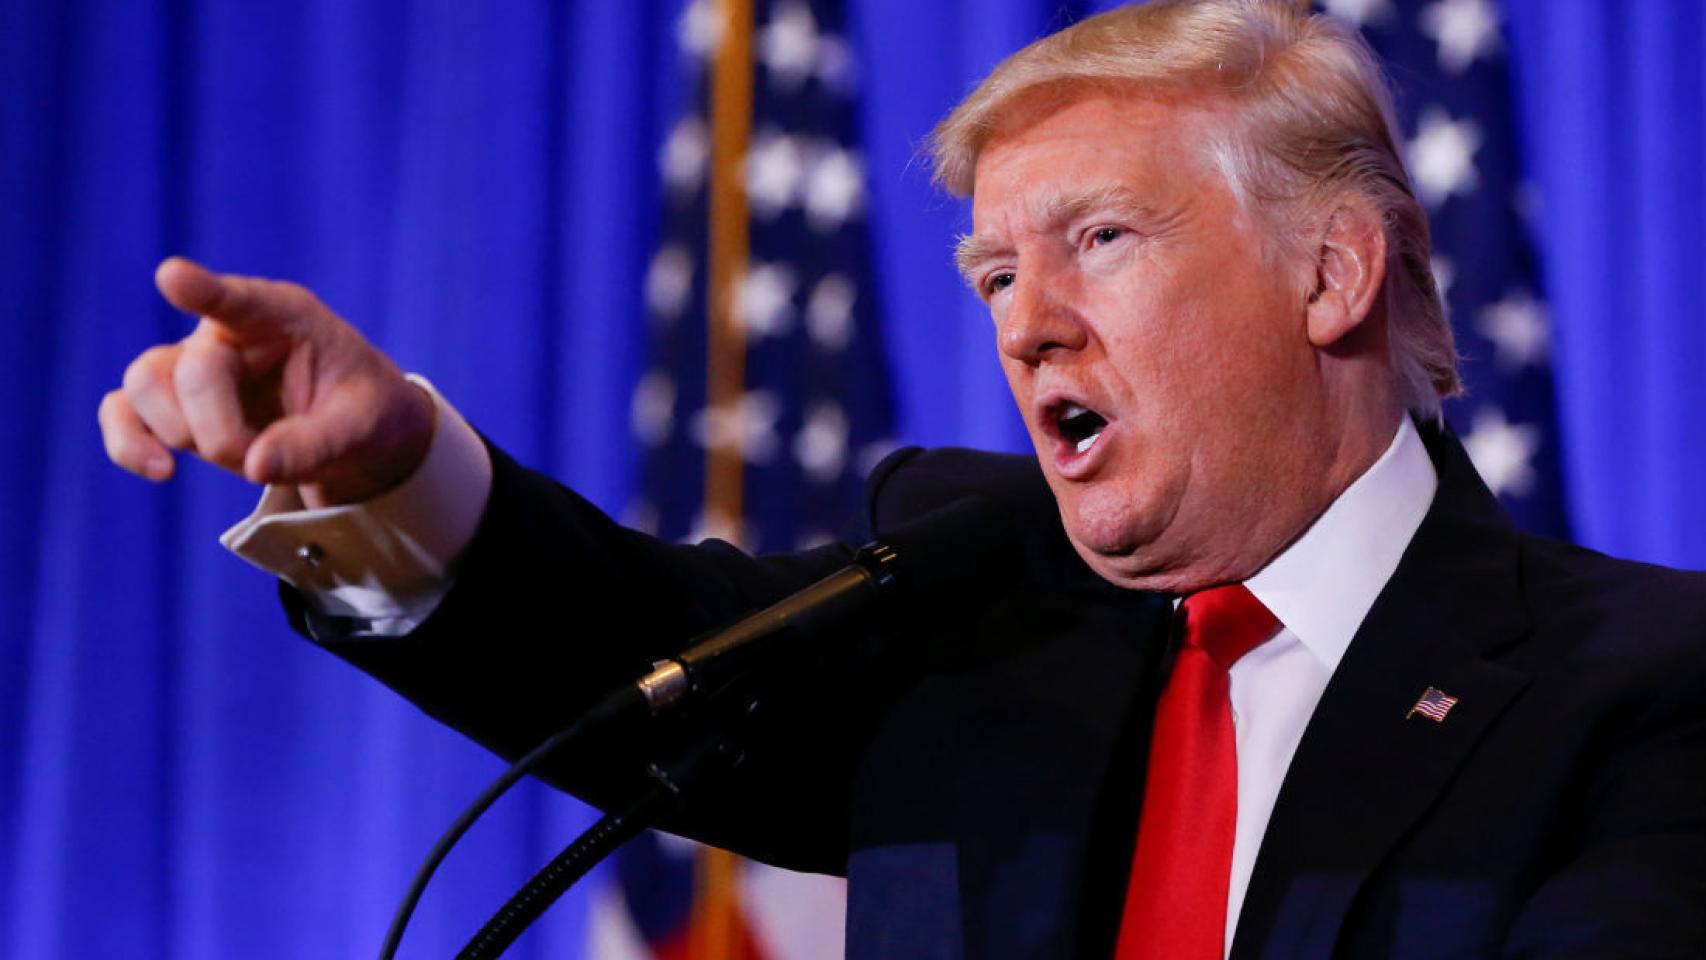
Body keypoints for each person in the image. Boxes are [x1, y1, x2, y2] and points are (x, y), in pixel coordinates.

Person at [99, 1, 1706, 957]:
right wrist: (391, 470)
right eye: (993, 275)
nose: (1028, 326)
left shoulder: (1641, 690)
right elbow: (634, 645)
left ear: (1330, 276)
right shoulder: (974, 606)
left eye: (1097, 242)